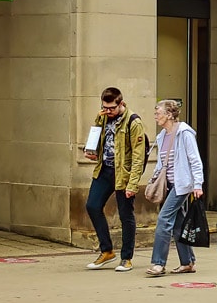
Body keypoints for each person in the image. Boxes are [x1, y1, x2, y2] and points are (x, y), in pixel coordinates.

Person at [83, 86, 146, 272]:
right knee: (92, 206)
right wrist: (92, 151)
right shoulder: (102, 116)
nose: (107, 111)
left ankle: (126, 258)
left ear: (121, 103)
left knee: (125, 215)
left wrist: (133, 184)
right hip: (104, 169)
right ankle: (107, 251)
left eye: (111, 108)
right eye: (105, 107)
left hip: (123, 173)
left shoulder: (133, 122)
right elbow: (96, 135)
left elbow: (138, 156)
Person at [147, 99, 206, 276]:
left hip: (182, 184)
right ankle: (188, 262)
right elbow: (162, 164)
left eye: (158, 112)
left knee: (164, 219)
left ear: (169, 115)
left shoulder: (184, 133)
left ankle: (158, 263)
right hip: (169, 184)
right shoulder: (161, 136)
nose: (156, 115)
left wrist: (198, 184)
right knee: (178, 223)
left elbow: (195, 160)